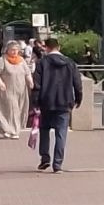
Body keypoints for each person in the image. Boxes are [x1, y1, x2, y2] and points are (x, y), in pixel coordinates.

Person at [28, 34, 85, 172]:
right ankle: (57, 164)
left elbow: (36, 85)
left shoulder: (42, 63)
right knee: (61, 134)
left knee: (44, 130)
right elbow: (77, 83)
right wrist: (78, 98)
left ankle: (45, 158)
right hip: (64, 102)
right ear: (58, 47)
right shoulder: (70, 63)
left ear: (46, 48)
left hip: (46, 102)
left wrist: (35, 102)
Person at [0, 39, 32, 142]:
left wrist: (30, 81)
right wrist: (0, 82)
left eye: (16, 50)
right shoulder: (3, 60)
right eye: (12, 50)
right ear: (7, 50)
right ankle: (14, 131)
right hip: (8, 89)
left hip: (21, 90)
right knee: (12, 108)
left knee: (18, 109)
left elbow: (27, 73)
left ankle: (5, 129)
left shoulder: (21, 60)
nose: (14, 52)